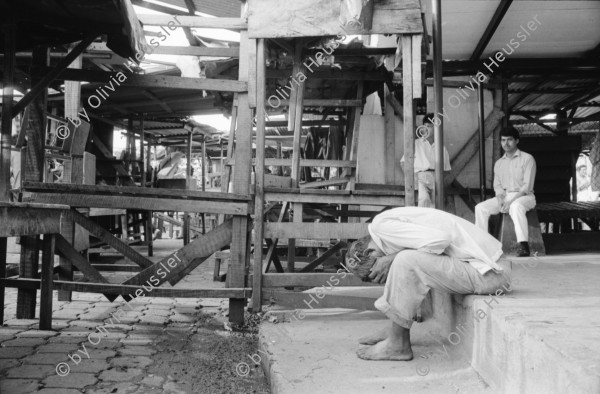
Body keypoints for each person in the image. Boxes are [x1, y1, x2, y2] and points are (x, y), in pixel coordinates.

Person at [344, 206, 511, 361]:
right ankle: (394, 330)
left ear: (369, 251)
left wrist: (391, 259)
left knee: (404, 259)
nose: (384, 275)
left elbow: (440, 240)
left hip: (492, 273)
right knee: (405, 258)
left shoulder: (381, 227)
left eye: (378, 271)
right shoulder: (383, 225)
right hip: (484, 268)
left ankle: (398, 344)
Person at [474, 127, 536, 257]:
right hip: (505, 196)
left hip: (525, 196)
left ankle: (523, 245)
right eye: (503, 140)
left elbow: (527, 186)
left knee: (516, 206)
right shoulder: (499, 163)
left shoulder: (527, 158)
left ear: (517, 141)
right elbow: (498, 186)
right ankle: (482, 245)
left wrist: (511, 201)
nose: (506, 143)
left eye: (509, 140)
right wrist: (501, 199)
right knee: (480, 208)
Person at [401, 114, 451, 207]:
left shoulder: (441, 146)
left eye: (430, 126)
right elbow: (403, 162)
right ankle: (423, 221)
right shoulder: (416, 143)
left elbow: (447, 170)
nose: (427, 129)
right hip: (420, 177)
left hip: (436, 177)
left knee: (437, 204)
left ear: (436, 128)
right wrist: (412, 180)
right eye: (426, 126)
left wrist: (439, 180)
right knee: (424, 199)